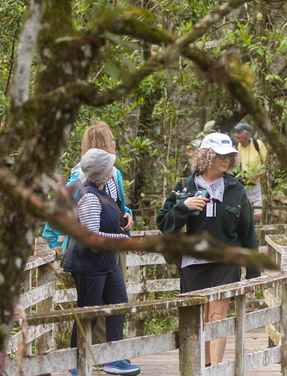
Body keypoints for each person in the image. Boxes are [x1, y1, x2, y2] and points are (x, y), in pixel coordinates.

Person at [157, 132, 261, 367]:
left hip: (226, 261)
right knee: (200, 318)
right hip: (192, 262)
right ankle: (203, 368)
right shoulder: (185, 186)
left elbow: (248, 234)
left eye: (229, 156)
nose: (226, 160)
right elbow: (163, 223)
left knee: (217, 316)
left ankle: (216, 370)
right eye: (220, 156)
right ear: (206, 156)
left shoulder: (236, 190)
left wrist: (254, 275)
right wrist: (183, 207)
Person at [42, 122, 134, 345]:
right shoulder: (80, 178)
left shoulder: (115, 174)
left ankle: (112, 354)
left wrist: (128, 214)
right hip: (89, 251)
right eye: (111, 138)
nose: (115, 143)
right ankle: (87, 359)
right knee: (93, 308)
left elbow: (117, 204)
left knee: (116, 301)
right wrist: (52, 240)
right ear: (103, 144)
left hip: (112, 245)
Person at [63, 149, 141, 376]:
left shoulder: (105, 189)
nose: (112, 170)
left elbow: (110, 225)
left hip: (107, 261)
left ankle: (113, 357)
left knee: (119, 303)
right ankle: (76, 362)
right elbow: (93, 238)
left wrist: (124, 233)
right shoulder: (88, 197)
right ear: (102, 172)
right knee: (89, 312)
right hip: (87, 264)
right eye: (109, 167)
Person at [234, 123, 267, 220]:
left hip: (257, 185)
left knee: (258, 214)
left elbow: (268, 164)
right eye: (236, 132)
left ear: (247, 134)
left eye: (239, 133)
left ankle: (257, 233)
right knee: (244, 214)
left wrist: (256, 174)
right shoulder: (235, 147)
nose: (236, 135)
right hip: (242, 185)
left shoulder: (258, 144)